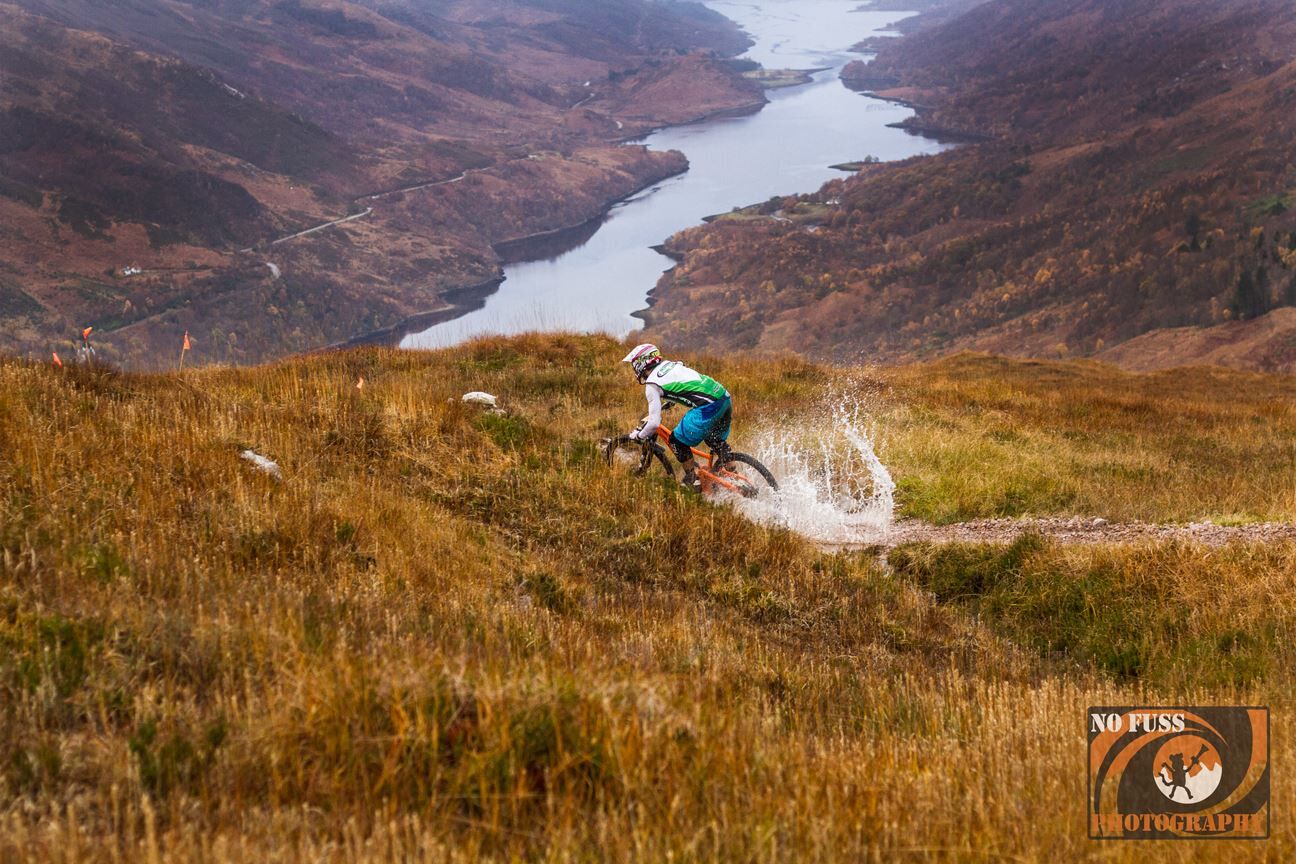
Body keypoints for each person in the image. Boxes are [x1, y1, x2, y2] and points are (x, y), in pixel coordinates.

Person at [622, 343, 732, 490]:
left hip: (709, 406)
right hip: (724, 396)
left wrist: (640, 436)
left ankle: (693, 481)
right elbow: (682, 379)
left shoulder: (652, 385)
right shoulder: (671, 364)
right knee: (714, 439)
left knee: (676, 440)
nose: (634, 369)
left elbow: (654, 423)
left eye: (634, 364)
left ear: (641, 363)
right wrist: (672, 400)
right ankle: (735, 476)